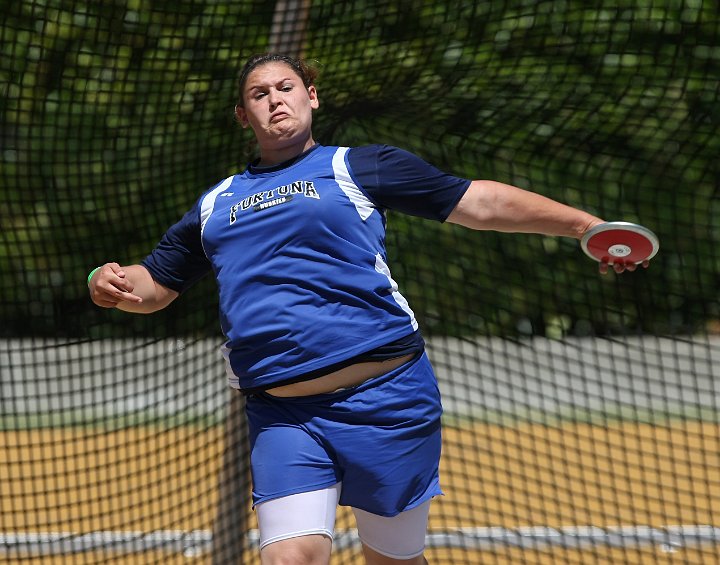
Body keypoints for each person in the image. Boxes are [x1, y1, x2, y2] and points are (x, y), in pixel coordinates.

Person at [88, 53, 648, 565]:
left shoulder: (358, 167)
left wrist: (583, 225)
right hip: (284, 414)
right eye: (259, 94)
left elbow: (480, 202)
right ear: (243, 114)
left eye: (286, 87)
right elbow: (155, 284)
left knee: (393, 562)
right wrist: (108, 281)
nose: (275, 100)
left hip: (387, 401)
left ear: (313, 95)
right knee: (290, 558)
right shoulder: (216, 203)